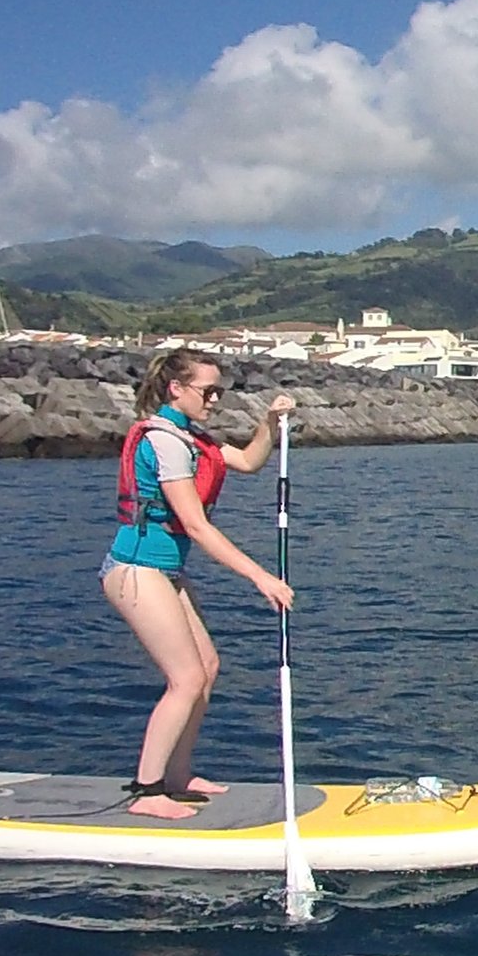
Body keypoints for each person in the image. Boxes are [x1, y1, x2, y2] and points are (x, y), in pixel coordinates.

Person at [102, 350, 295, 819]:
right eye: (207, 391)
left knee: (206, 666)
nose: (214, 399)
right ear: (176, 389)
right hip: (135, 571)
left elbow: (248, 461)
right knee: (185, 678)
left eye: (218, 392)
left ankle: (178, 776)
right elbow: (197, 526)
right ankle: (147, 792)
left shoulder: (192, 438)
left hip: (164, 572)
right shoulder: (166, 442)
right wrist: (260, 576)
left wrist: (271, 421)